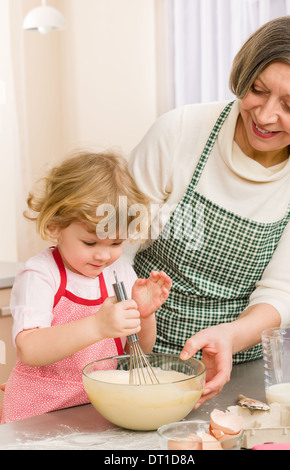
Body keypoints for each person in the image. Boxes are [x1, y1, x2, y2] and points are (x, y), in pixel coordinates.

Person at [127, 14, 290, 406]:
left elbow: (284, 291)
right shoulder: (181, 131)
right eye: (256, 89)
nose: (265, 115)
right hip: (135, 353)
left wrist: (230, 337)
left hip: (235, 366)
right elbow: (114, 243)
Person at [1, 151, 171, 424]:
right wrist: (97, 326)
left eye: (116, 244)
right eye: (90, 243)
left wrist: (144, 315)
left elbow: (139, 349)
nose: (103, 256)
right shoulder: (41, 275)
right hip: (35, 417)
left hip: (95, 410)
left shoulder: (120, 273)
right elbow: (30, 350)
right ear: (56, 225)